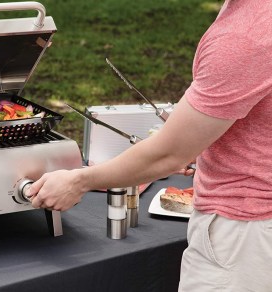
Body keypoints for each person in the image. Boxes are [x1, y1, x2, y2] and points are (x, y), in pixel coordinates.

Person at [28, 0, 272, 291]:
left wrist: (78, 181)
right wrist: (196, 134)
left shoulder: (244, 36)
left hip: (243, 236)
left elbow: (168, 154)